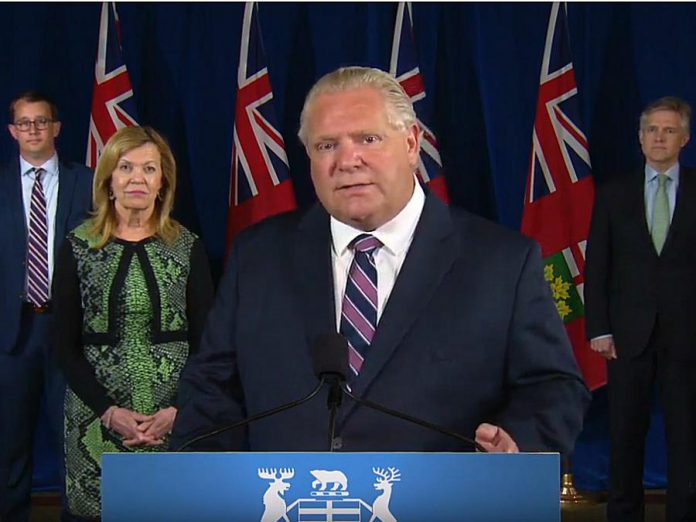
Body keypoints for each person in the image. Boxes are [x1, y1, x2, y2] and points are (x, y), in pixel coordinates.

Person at [171, 66, 589, 455]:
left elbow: (552, 386)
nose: (347, 160)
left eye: (367, 139)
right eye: (326, 145)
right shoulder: (257, 255)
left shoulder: (502, 262)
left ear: (411, 144)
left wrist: (518, 442)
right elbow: (211, 387)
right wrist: (218, 481)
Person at [52, 126, 214, 520]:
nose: (137, 178)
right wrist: (108, 410)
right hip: (96, 418)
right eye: (125, 167)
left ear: (163, 183)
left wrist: (179, 408)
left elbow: (209, 342)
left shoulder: (187, 246)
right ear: (108, 180)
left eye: (149, 169)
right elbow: (62, 344)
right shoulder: (78, 245)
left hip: (174, 418)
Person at [585, 96, 696, 522]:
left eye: (669, 130)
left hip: (686, 340)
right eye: (652, 130)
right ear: (640, 137)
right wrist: (598, 328)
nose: (659, 138)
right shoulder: (614, 194)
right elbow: (598, 266)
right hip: (626, 338)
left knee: (685, 439)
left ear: (684, 139)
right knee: (625, 436)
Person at [0, 91, 92, 522]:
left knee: (72, 439)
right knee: (9, 444)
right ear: (12, 131)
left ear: (56, 128)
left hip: (68, 332)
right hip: (11, 335)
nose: (33, 130)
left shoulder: (87, 182)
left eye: (41, 122)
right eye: (24, 123)